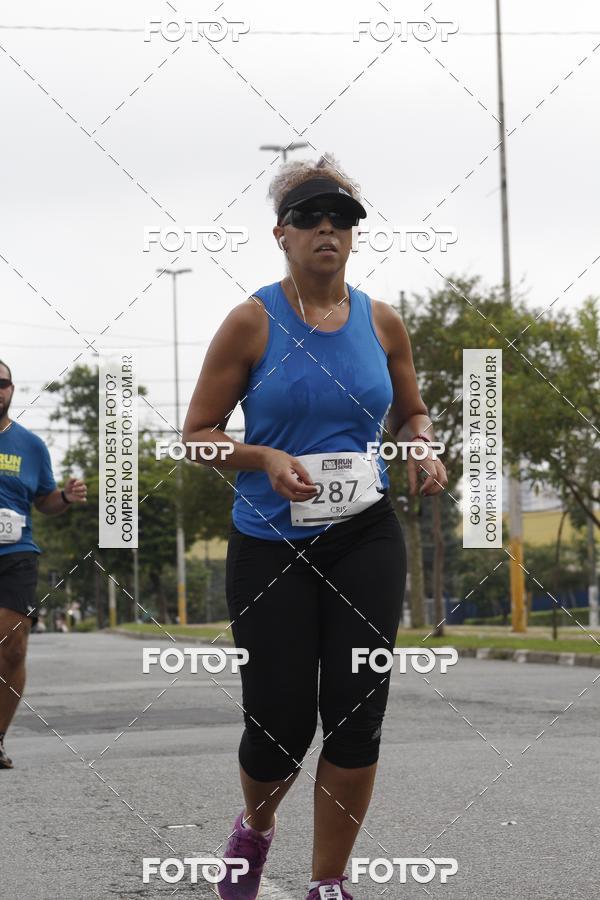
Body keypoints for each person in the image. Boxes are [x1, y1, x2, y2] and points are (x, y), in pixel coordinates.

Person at [182, 154, 447, 900]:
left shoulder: (382, 321)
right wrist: (262, 457)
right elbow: (197, 435)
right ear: (282, 233)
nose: (327, 229)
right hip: (270, 544)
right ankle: (256, 828)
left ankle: (328, 883)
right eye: (309, 217)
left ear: (354, 235)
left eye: (342, 218)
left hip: (365, 533)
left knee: (358, 714)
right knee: (279, 724)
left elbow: (412, 410)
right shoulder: (251, 321)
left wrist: (422, 444)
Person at [0, 360, 87, 769]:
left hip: (14, 553)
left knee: (12, 647)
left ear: (12, 389)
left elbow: (45, 501)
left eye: (2, 383)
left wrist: (64, 498)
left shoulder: (30, 446)